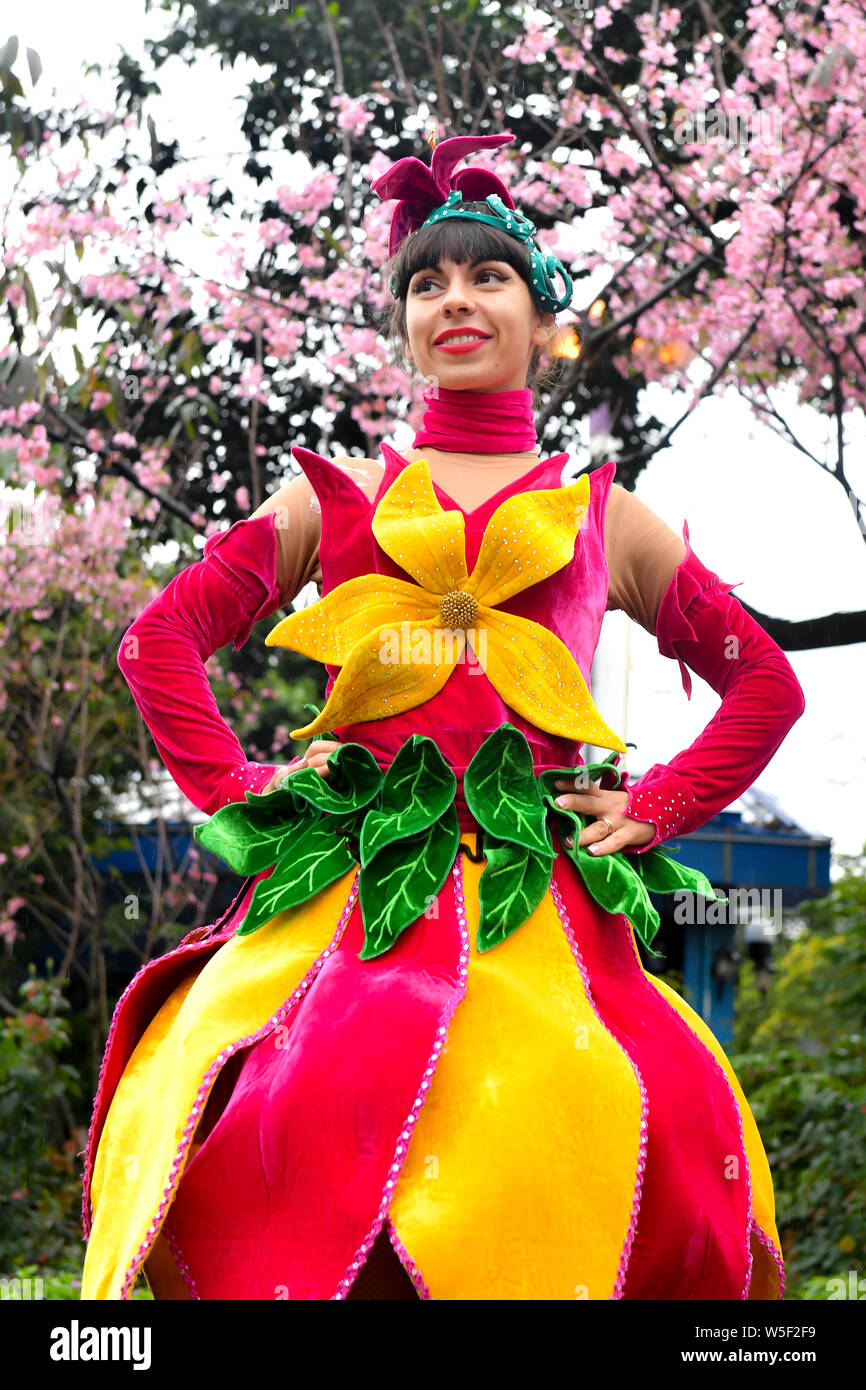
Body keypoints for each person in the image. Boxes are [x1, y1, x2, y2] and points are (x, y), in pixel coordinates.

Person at [80, 132, 805, 1301]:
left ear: (540, 319)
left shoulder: (600, 521)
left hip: (544, 912)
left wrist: (659, 800)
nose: (453, 302)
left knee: (643, 1125)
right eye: (425, 284)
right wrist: (239, 792)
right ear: (404, 322)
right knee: (249, 1117)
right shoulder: (342, 499)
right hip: (344, 893)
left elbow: (765, 685)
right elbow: (156, 640)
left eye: (485, 278)